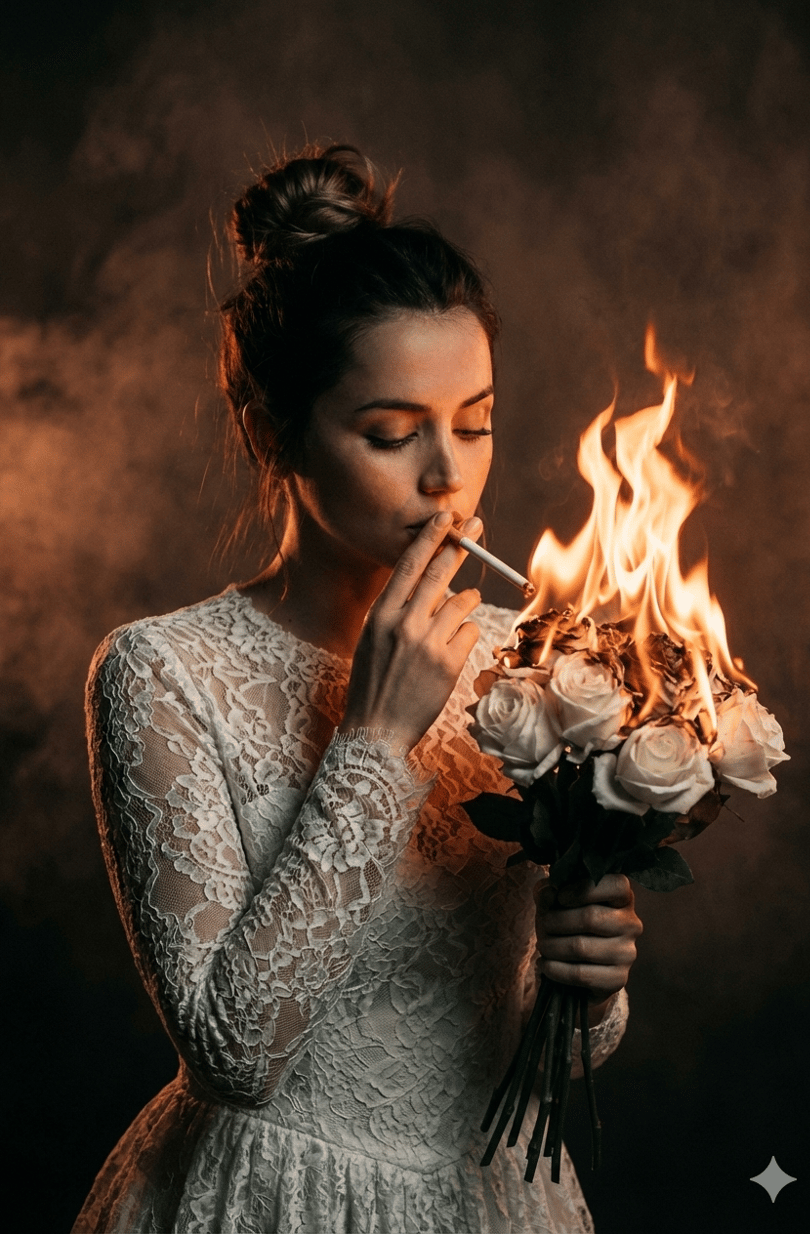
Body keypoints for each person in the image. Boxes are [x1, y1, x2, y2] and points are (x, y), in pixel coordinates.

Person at [73, 144, 642, 1234]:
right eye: (392, 433)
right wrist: (375, 738)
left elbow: (535, 1041)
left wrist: (590, 980)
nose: (449, 474)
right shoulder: (162, 675)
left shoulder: (529, 661)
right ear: (271, 430)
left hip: (493, 1201)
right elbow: (237, 1053)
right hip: (273, 1200)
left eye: (475, 422)